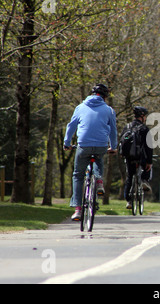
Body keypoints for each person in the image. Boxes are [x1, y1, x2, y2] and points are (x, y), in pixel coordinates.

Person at [64, 84, 118, 221]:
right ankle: (99, 180)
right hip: (101, 145)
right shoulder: (109, 110)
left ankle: (77, 209)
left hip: (84, 145)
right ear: (105, 97)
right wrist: (113, 146)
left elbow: (71, 126)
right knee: (98, 158)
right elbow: (113, 130)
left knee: (78, 175)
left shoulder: (80, 107)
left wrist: (67, 143)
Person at [122, 106, 154, 210]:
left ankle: (129, 201)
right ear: (143, 116)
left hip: (129, 157)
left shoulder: (127, 127)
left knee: (130, 177)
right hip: (141, 157)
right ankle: (144, 179)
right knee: (147, 167)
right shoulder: (144, 128)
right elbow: (149, 146)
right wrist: (149, 161)